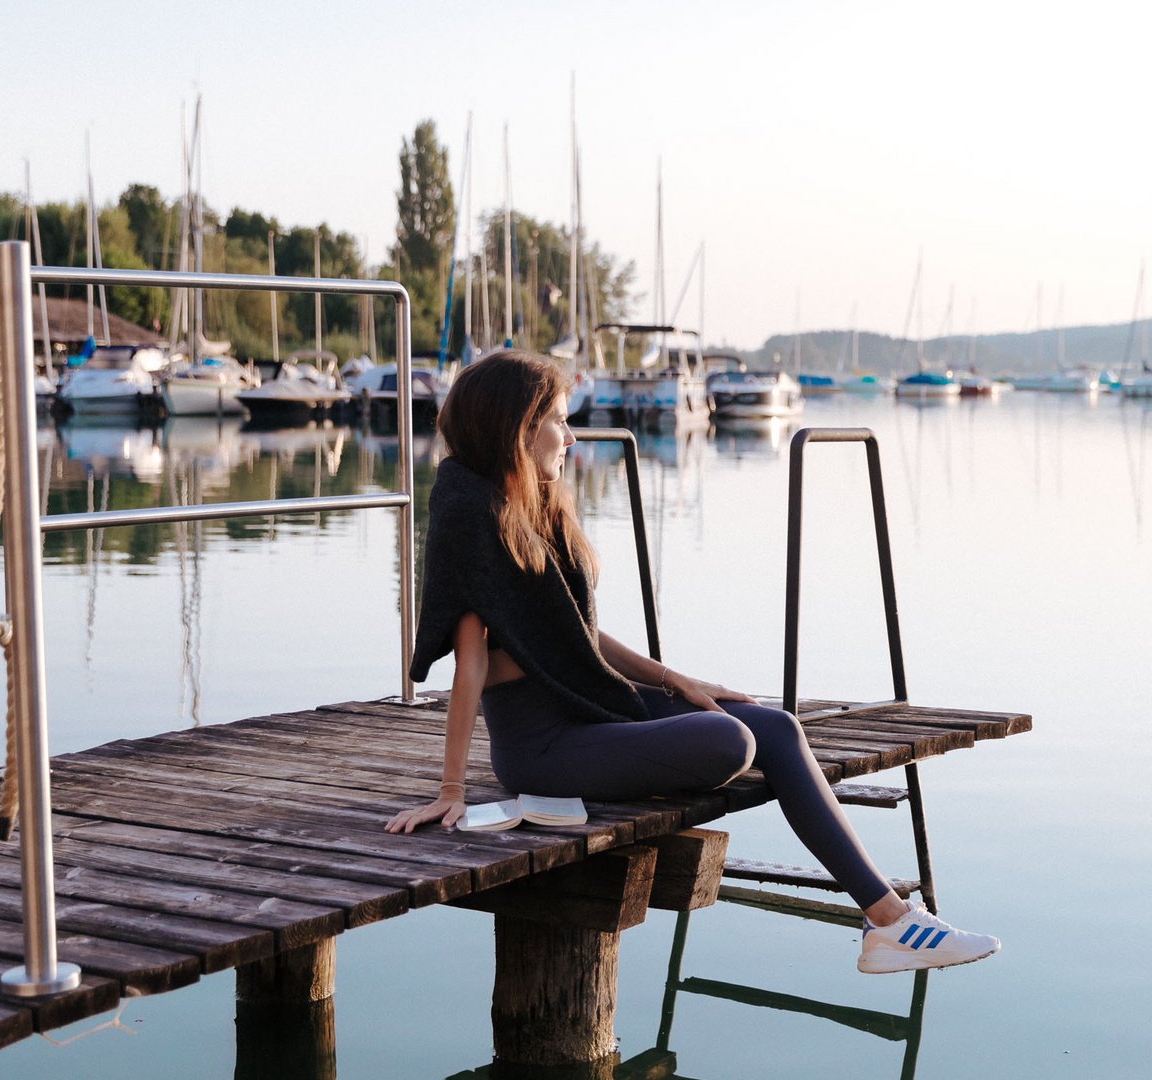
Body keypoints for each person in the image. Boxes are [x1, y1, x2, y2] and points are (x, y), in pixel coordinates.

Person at [385, 350, 999, 974]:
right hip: (540, 747)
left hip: (588, 705)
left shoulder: (534, 504)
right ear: (520, 428)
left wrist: (674, 678)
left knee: (775, 727)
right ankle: (891, 923)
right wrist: (452, 790)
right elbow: (470, 665)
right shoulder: (469, 512)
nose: (571, 436)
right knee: (729, 741)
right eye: (561, 423)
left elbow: (578, 635)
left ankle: (888, 920)